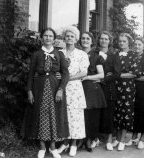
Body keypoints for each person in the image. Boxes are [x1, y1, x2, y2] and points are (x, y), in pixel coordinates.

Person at [23, 28, 69, 158]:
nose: (48, 38)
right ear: (42, 38)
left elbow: (65, 74)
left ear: (54, 39)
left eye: (50, 36)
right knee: (41, 114)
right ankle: (42, 147)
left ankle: (53, 147)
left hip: (55, 87)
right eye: (45, 36)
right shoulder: (36, 54)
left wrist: (61, 89)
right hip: (39, 87)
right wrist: (29, 91)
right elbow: (31, 74)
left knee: (54, 115)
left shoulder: (59, 54)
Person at [57, 27, 90, 156]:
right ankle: (65, 143)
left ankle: (74, 144)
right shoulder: (59, 53)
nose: (69, 38)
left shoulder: (82, 54)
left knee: (76, 117)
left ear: (76, 39)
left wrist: (67, 78)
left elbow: (83, 73)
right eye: (67, 36)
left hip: (75, 88)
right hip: (61, 88)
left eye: (72, 36)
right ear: (64, 38)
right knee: (64, 115)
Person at [91, 31, 121, 151]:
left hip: (108, 88)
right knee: (96, 113)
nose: (103, 41)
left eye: (106, 39)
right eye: (102, 39)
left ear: (110, 41)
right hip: (96, 87)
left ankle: (108, 140)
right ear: (98, 40)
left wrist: (103, 78)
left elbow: (117, 74)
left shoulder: (114, 55)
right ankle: (95, 139)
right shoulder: (94, 54)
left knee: (108, 114)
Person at [112, 33, 140, 151]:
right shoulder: (115, 54)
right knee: (117, 111)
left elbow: (134, 73)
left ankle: (123, 139)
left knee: (126, 112)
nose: (121, 43)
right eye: (120, 41)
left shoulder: (133, 55)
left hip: (128, 87)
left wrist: (118, 75)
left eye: (124, 41)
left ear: (129, 42)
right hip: (116, 87)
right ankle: (117, 138)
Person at [80, 32, 107, 152]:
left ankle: (89, 140)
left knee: (92, 116)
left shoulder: (96, 56)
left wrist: (88, 77)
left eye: (87, 38)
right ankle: (79, 139)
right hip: (78, 87)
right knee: (81, 114)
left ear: (91, 41)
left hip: (91, 88)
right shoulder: (77, 54)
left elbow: (101, 75)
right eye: (83, 38)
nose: (85, 40)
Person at [127, 37, 144, 149]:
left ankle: (142, 139)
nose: (137, 46)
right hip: (132, 89)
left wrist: (135, 78)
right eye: (135, 44)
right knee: (135, 113)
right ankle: (134, 138)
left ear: (143, 46)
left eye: (139, 45)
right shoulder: (130, 57)